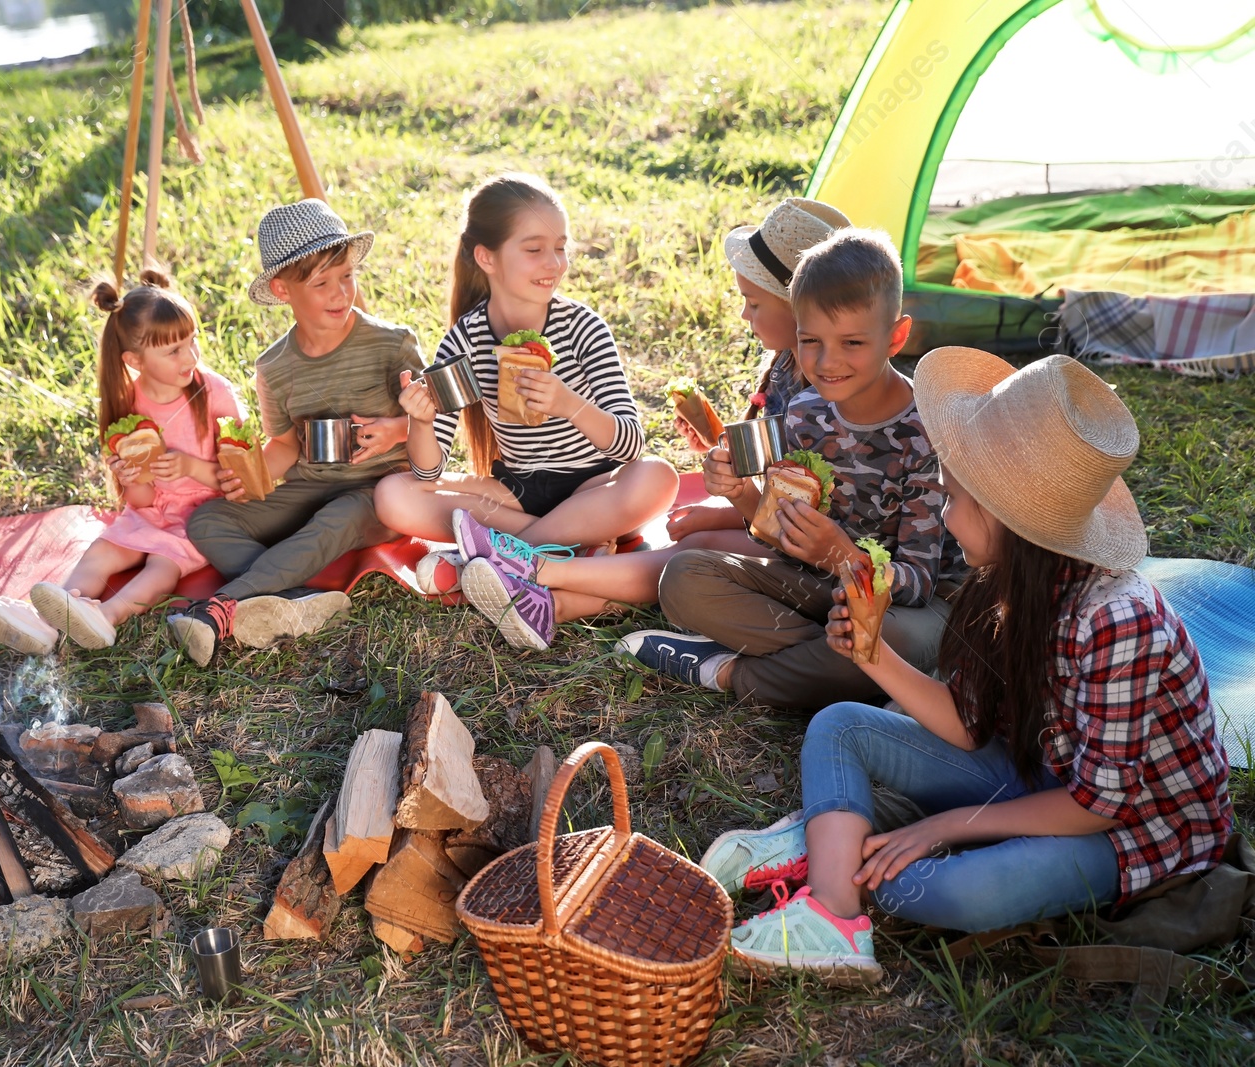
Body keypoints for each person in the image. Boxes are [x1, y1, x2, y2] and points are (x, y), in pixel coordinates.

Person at [714, 348, 1231, 984]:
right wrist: (873, 656)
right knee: (840, 725)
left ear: (1008, 520)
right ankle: (835, 916)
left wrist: (946, 825)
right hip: (1036, 771)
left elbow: (1097, 804)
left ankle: (827, 846)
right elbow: (969, 723)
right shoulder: (1003, 578)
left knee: (938, 892)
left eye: (955, 499)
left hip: (1128, 827)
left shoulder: (1120, 619)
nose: (946, 514)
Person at [441, 198, 854, 649]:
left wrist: (725, 507)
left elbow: (795, 516)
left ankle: (536, 571)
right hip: (784, 529)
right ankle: (546, 601)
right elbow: (776, 481)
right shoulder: (785, 369)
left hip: (818, 549)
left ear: (799, 309)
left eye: (752, 303)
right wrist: (715, 453)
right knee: (692, 542)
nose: (743, 315)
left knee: (691, 553)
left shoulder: (821, 395)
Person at [617, 229, 967, 709]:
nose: (828, 361)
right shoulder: (804, 413)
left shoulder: (927, 432)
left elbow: (920, 582)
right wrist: (741, 494)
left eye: (852, 342)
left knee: (891, 640)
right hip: (818, 591)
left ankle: (732, 672)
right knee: (682, 576)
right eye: (810, 341)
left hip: (905, 608)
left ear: (896, 336)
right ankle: (840, 667)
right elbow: (776, 531)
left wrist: (844, 559)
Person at [373, 172, 678, 649]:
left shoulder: (582, 329)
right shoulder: (467, 341)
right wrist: (421, 421)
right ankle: (563, 556)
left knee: (659, 476)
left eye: (560, 246)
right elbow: (428, 471)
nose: (554, 262)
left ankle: (488, 561)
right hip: (516, 492)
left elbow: (630, 442)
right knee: (393, 493)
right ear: (486, 257)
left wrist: (569, 404)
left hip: (596, 487)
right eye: (534, 249)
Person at [169, 199, 423, 666]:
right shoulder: (274, 365)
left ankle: (218, 607)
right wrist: (252, 476)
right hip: (309, 486)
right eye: (321, 282)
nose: (339, 293)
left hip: (377, 493)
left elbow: (438, 421)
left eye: (346, 275)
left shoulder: (392, 343)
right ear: (282, 290)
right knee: (208, 521)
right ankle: (298, 597)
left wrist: (394, 430)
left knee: (334, 521)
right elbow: (285, 444)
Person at [0, 271, 236, 654]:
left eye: (192, 342)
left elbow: (241, 478)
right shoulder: (130, 409)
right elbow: (139, 501)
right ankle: (42, 623)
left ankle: (106, 617)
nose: (190, 357)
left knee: (162, 566)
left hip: (204, 516)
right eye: (173, 351)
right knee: (102, 551)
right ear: (134, 360)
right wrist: (131, 477)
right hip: (151, 512)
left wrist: (190, 467)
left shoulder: (214, 392)